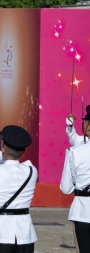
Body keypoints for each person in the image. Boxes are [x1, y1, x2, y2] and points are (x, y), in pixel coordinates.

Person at [0, 125, 37, 253]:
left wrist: (1, 163)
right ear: (23, 151)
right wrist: (4, 162)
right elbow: (17, 169)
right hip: (25, 232)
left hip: (1, 232)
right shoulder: (32, 171)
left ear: (3, 149)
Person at [60, 105, 90, 252]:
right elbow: (77, 139)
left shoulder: (75, 153)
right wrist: (70, 127)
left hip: (82, 211)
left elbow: (66, 189)